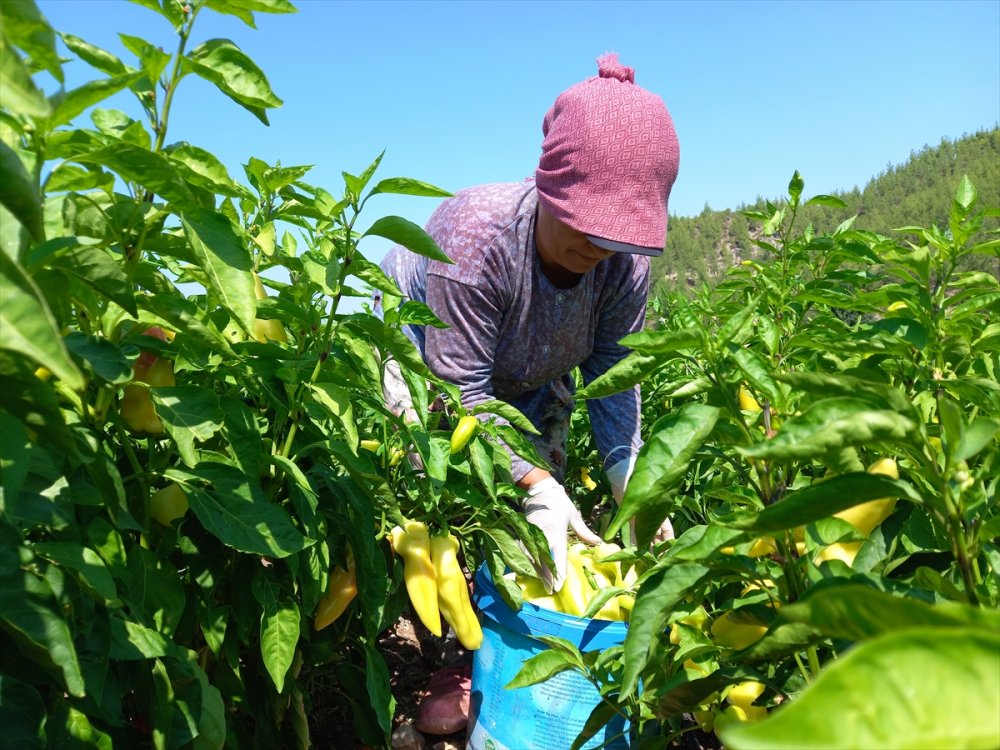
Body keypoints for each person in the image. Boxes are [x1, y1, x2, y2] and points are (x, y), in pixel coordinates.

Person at [381, 51, 680, 737]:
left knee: (536, 513)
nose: (599, 247)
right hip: (427, 356)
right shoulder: (476, 238)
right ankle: (453, 656)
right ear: (549, 186)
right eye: (586, 225)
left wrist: (636, 482)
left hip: (535, 368)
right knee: (441, 491)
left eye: (616, 235)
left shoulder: (621, 269)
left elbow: (612, 379)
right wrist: (533, 481)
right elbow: (457, 390)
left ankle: (511, 640)